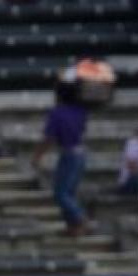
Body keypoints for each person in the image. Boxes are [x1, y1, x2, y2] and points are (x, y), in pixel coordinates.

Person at [32, 85, 89, 236]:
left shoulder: (57, 113)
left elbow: (49, 137)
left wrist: (38, 155)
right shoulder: (80, 110)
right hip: (81, 152)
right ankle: (73, 227)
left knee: (61, 194)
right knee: (69, 192)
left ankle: (79, 217)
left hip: (69, 154)